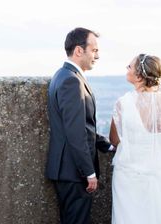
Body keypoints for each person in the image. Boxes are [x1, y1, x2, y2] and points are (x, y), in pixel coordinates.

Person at [46, 27, 114, 224]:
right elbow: (75, 132)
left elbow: (82, 126)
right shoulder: (71, 81)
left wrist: (106, 144)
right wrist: (89, 172)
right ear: (78, 50)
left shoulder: (63, 75)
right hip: (73, 172)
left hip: (67, 170)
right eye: (94, 50)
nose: (97, 56)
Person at [109, 54, 161, 224]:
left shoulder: (124, 103)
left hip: (129, 177)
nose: (126, 68)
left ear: (138, 76)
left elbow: (114, 140)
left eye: (129, 66)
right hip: (160, 175)